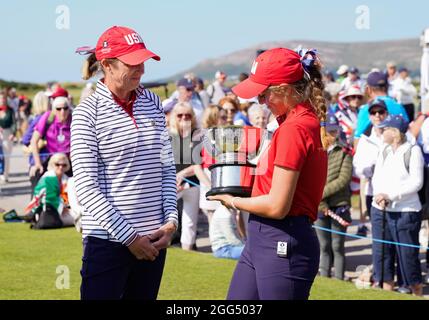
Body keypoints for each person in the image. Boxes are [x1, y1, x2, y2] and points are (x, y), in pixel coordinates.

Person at [208, 48, 328, 300]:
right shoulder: (293, 122)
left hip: (282, 237)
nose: (261, 102)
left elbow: (277, 206)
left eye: (264, 94)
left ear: (284, 88)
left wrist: (232, 201)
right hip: (264, 237)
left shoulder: (294, 128)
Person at [71, 25, 178, 300]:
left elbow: (166, 167)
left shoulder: (153, 101)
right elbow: (86, 187)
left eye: (142, 62)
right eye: (132, 63)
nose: (141, 70)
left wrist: (171, 222)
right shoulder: (87, 113)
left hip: (154, 241)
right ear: (107, 65)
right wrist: (131, 239)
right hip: (108, 244)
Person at [369, 114, 424, 296]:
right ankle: (386, 293)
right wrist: (379, 195)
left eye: (385, 129)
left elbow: (417, 182)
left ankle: (416, 292)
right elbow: (377, 177)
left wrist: (391, 195)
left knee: (408, 259)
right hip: (381, 210)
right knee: (382, 257)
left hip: (406, 213)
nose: (382, 131)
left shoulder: (412, 151)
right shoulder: (384, 149)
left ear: (395, 132)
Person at [315, 114, 353, 280]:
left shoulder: (344, 153)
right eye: (327, 130)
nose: (331, 135)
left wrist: (319, 194)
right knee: (323, 246)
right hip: (319, 207)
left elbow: (343, 180)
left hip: (339, 205)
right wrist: (319, 200)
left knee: (337, 246)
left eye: (333, 130)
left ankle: (339, 280)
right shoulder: (315, 151)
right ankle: (324, 279)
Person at [169, 102, 202, 251]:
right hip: (172, 184)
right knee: (163, 219)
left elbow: (200, 163)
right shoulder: (167, 135)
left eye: (188, 115)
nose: (184, 118)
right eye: (180, 115)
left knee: (190, 222)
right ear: (174, 117)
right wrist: (173, 179)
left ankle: (187, 252)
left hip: (192, 183)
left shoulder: (197, 135)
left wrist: (183, 174)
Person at [30, 96, 72, 189]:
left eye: (65, 108)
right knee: (36, 173)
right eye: (59, 109)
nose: (62, 111)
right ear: (54, 110)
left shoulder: (74, 119)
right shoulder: (48, 118)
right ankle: (37, 202)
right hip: (52, 158)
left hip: (69, 159)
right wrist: (37, 163)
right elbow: (34, 140)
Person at [354, 71, 409, 141]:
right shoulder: (399, 106)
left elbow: (358, 138)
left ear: (368, 89)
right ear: (387, 87)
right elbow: (407, 133)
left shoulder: (367, 109)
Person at [24, 153, 74, 228]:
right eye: (57, 164)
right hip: (43, 211)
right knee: (77, 217)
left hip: (59, 210)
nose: (61, 167)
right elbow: (49, 199)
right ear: (52, 165)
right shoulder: (49, 178)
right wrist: (63, 207)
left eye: (64, 165)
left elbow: (67, 198)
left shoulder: (65, 178)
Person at [0, 93, 16, 183]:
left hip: (7, 133)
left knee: (6, 155)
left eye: (3, 98)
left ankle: (5, 174)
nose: (2, 100)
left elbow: (14, 122)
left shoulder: (10, 110)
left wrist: (13, 133)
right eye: (0, 99)